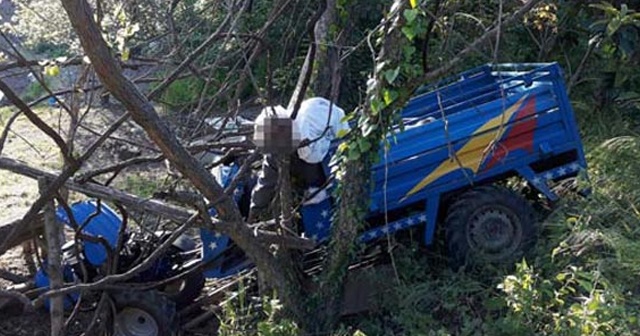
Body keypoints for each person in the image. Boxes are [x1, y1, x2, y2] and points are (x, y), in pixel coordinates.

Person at [248, 97, 350, 222]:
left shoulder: (306, 143)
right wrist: (255, 209)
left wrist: (253, 212)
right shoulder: (278, 152)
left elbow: (266, 184)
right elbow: (266, 182)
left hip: (331, 172)